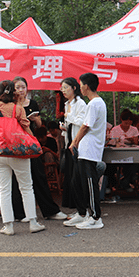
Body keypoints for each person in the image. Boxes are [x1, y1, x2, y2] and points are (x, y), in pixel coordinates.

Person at [0, 80, 45, 235]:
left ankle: (8, 226)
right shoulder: (18, 109)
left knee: (4, 189)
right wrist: (34, 142)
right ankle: (33, 222)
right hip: (18, 152)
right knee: (26, 187)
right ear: (14, 92)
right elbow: (26, 128)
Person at [11, 77, 66, 223]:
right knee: (16, 179)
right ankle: (19, 213)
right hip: (15, 145)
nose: (21, 90)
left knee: (39, 176)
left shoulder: (32, 103)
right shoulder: (10, 105)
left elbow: (40, 124)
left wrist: (35, 120)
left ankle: (50, 211)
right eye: (17, 87)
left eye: (23, 87)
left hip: (31, 144)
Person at [63, 73, 106, 230]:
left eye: (81, 84)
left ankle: (96, 217)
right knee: (76, 182)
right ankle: (82, 213)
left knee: (89, 183)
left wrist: (75, 141)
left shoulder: (94, 104)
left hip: (89, 149)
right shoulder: (94, 103)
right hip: (84, 149)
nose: (80, 87)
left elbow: (85, 125)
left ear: (86, 86)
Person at [59, 77, 87, 211]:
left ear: (74, 88)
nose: (63, 90)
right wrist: (64, 127)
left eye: (66, 87)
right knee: (69, 173)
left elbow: (82, 122)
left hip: (77, 142)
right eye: (62, 88)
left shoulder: (80, 103)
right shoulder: (67, 103)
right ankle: (70, 202)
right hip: (69, 140)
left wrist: (68, 117)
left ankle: (79, 204)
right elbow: (71, 122)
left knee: (76, 173)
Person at [108, 109, 139, 191]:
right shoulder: (115, 129)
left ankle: (125, 181)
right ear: (121, 119)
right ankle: (113, 183)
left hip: (129, 154)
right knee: (109, 165)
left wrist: (132, 140)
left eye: (130, 120)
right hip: (116, 154)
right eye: (126, 119)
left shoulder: (134, 129)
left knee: (135, 164)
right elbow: (111, 142)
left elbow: (136, 142)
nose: (128, 122)